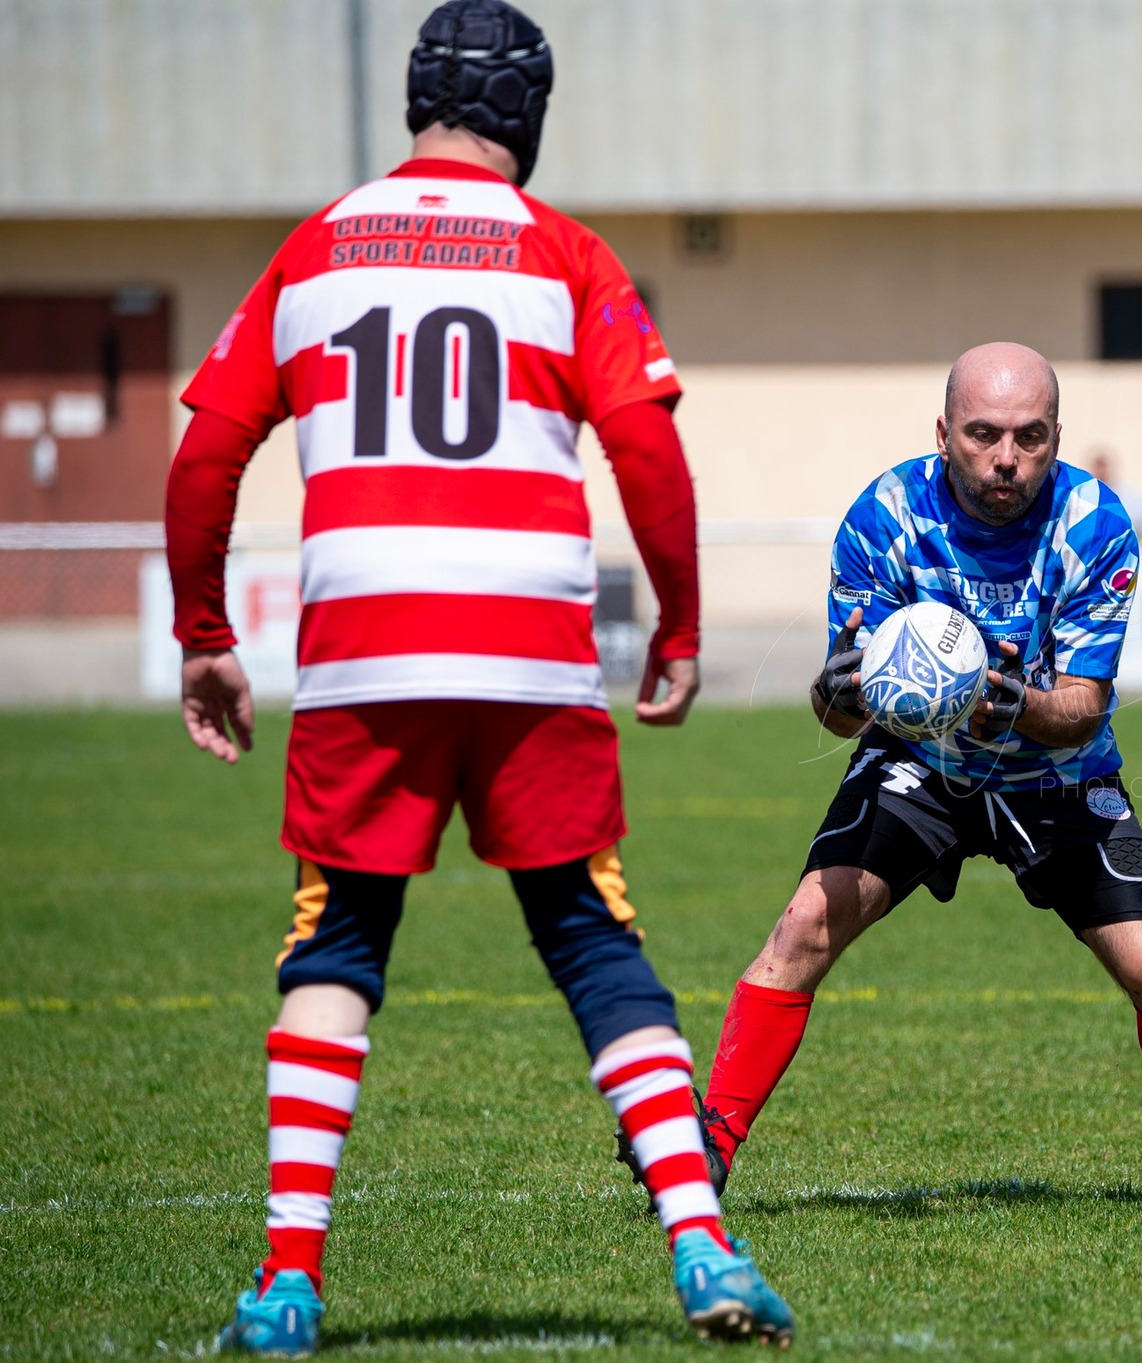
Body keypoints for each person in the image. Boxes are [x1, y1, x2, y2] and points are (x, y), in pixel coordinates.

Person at [166, 2, 792, 1350]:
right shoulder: (566, 254)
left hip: (364, 647)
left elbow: (209, 447)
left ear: (414, 105)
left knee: (336, 941)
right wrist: (677, 632)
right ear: (533, 116)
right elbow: (650, 455)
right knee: (587, 933)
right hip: (525, 647)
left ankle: (286, 1279)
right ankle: (702, 1245)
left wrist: (202, 631)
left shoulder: (319, 243)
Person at [672, 341, 1142, 1215]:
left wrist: (1010, 705)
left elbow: (1085, 706)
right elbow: (842, 704)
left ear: (1058, 435)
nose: (1006, 457)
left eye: (1030, 436)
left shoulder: (1096, 524)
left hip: (1055, 774)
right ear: (944, 431)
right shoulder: (885, 515)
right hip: (918, 761)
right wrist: (836, 693)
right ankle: (703, 1151)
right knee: (799, 935)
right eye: (983, 434)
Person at [1086, 447, 1142, 536]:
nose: (1100, 471)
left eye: (1103, 466)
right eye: (1097, 467)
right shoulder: (1084, 497)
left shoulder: (1131, 496)